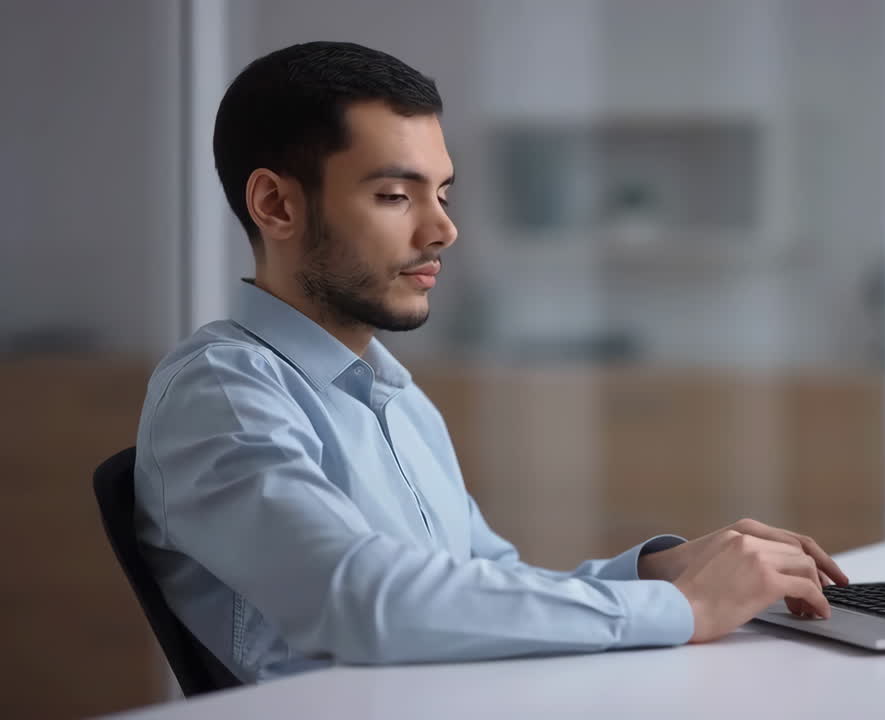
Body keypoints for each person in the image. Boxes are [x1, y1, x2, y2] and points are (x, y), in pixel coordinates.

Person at [134, 41, 847, 683]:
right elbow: (363, 601)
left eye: (442, 194)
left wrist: (655, 571)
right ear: (275, 205)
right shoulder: (222, 390)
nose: (443, 228)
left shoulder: (391, 393)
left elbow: (481, 583)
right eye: (394, 195)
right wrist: (680, 607)